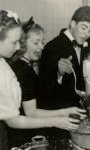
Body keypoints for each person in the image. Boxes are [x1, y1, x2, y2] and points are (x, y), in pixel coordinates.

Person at [0, 10, 82, 150]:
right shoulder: (16, 70)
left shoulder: (12, 64)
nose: (19, 46)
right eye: (14, 42)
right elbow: (21, 116)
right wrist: (57, 119)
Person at [37, 6, 90, 143]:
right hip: (60, 118)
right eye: (83, 28)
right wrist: (58, 72)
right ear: (72, 23)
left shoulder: (84, 44)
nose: (87, 34)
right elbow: (43, 88)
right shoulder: (52, 47)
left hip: (77, 113)